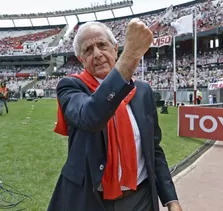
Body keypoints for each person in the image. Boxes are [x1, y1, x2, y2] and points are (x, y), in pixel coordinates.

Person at [49, 19, 183, 211]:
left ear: (115, 49)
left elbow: (153, 150)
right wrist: (131, 56)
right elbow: (91, 116)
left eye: (102, 45)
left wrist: (171, 199)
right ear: (81, 59)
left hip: (141, 198)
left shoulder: (142, 91)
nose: (97, 54)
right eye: (88, 50)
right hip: (92, 200)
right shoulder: (70, 87)